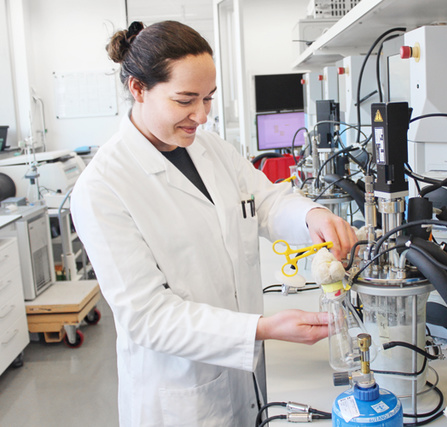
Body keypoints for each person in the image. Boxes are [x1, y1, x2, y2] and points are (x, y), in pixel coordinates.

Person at [70, 20, 357, 427]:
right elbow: (148, 317)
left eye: (208, 98)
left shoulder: (209, 148)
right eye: (186, 100)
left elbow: (267, 201)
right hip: (181, 393)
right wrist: (260, 329)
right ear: (138, 89)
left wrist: (313, 215)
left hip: (243, 374)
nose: (201, 116)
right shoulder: (102, 188)